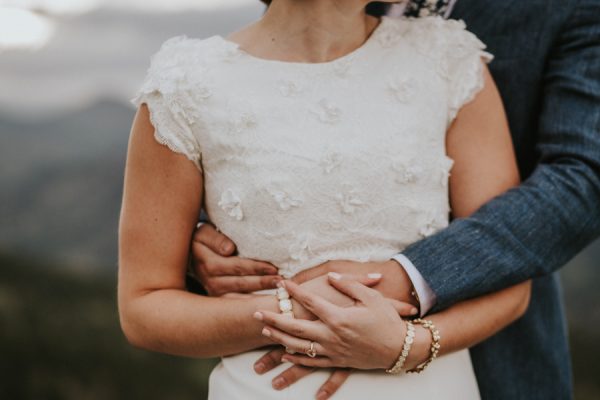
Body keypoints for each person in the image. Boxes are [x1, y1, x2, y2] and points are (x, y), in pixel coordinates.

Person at [190, 1, 600, 399]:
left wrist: (409, 279)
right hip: (280, 360)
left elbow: (585, 176)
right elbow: (267, 140)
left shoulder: (559, 10)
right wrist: (194, 239)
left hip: (494, 337)